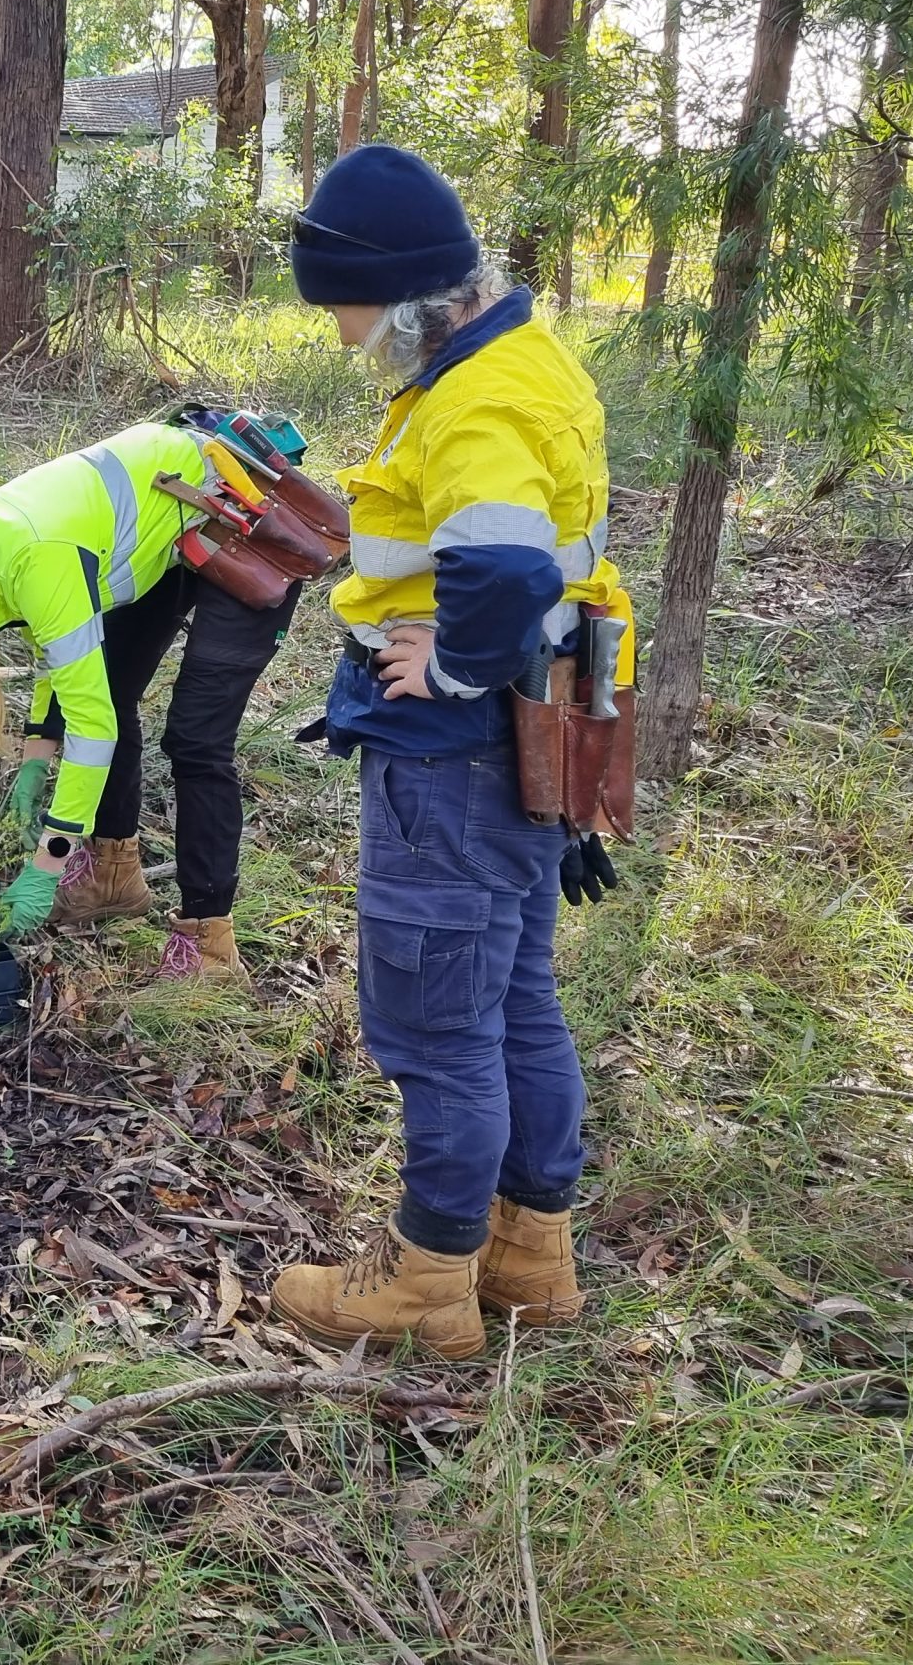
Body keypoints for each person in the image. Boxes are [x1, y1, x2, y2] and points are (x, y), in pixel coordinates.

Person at [264, 143, 634, 1358]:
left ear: (410, 289)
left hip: (455, 751)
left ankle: (427, 1286)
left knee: (437, 1025)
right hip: (525, 742)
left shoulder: (475, 397)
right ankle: (531, 1256)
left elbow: (508, 564)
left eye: (348, 310)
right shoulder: (517, 357)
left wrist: (458, 662)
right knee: (516, 998)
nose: (342, 336)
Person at [0, 423, 298, 970]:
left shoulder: (33, 557)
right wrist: (36, 760)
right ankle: (114, 876)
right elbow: (60, 658)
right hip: (171, 531)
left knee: (196, 741)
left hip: (244, 522)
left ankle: (209, 944)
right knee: (111, 689)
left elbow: (91, 725)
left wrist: (48, 861)